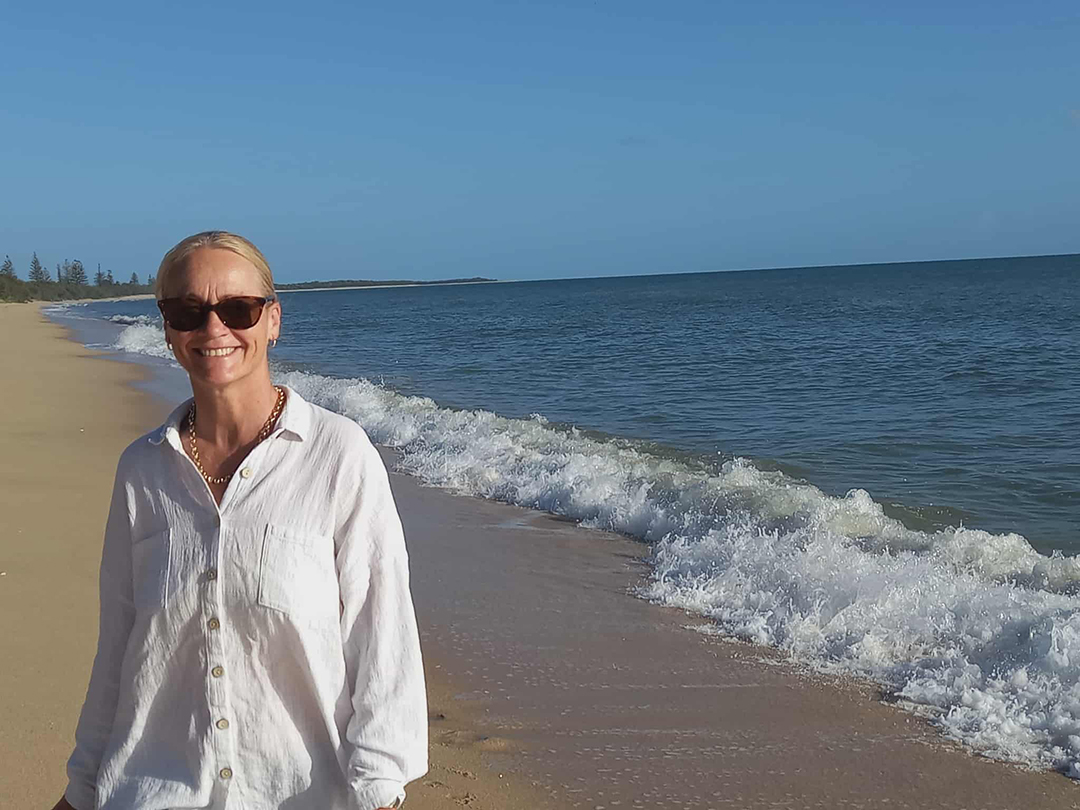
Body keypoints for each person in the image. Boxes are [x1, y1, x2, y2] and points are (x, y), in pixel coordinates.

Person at [51, 231, 427, 810]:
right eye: (188, 312)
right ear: (168, 328)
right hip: (149, 792)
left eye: (237, 309)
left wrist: (379, 790)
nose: (214, 329)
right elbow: (119, 650)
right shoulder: (141, 471)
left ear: (272, 320)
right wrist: (80, 790)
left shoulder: (338, 454)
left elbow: (382, 639)